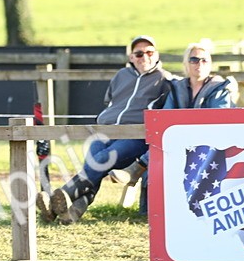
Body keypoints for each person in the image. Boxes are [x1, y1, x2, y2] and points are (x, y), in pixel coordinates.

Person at [38, 34, 174, 224]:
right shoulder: (121, 76)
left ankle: (62, 196)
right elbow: (109, 101)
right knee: (94, 165)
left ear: (157, 54)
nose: (145, 57)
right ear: (131, 57)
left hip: (136, 137)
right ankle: (72, 212)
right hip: (105, 132)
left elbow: (170, 108)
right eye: (139, 53)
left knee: (100, 160)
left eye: (149, 52)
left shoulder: (166, 81)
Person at [109, 40, 237, 198]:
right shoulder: (177, 88)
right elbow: (165, 119)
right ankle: (147, 201)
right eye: (194, 60)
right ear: (186, 64)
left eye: (204, 60)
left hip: (209, 145)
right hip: (178, 143)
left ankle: (138, 167)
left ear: (210, 64)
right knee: (161, 139)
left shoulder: (220, 90)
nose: (199, 64)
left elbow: (218, 123)